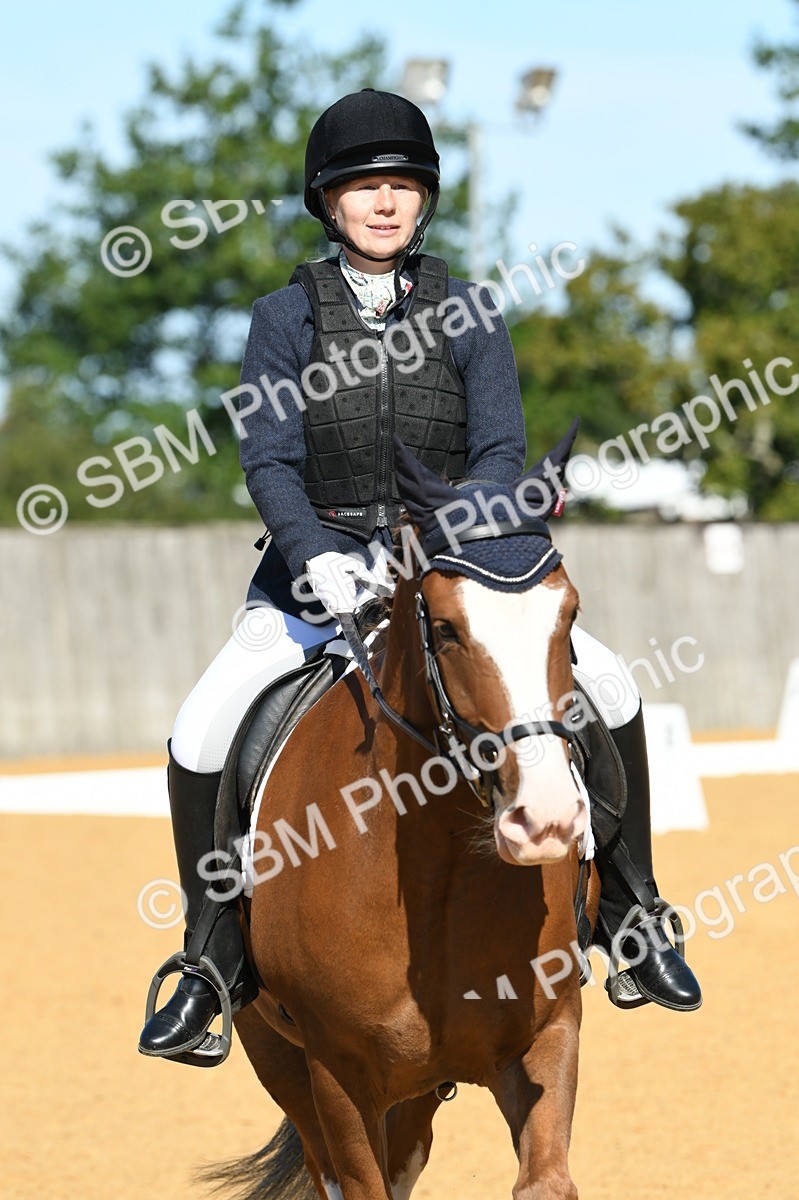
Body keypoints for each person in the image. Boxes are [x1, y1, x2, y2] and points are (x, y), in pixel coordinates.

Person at [138, 88, 701, 1067]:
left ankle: (638, 914)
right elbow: (268, 457)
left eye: (401, 186)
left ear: (424, 200)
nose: (384, 203)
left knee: (611, 689)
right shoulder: (281, 318)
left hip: (451, 567)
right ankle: (210, 958)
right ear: (329, 204)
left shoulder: (472, 313)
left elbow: (500, 449)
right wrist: (320, 559)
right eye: (364, 189)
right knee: (201, 730)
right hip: (315, 577)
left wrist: (445, 541)